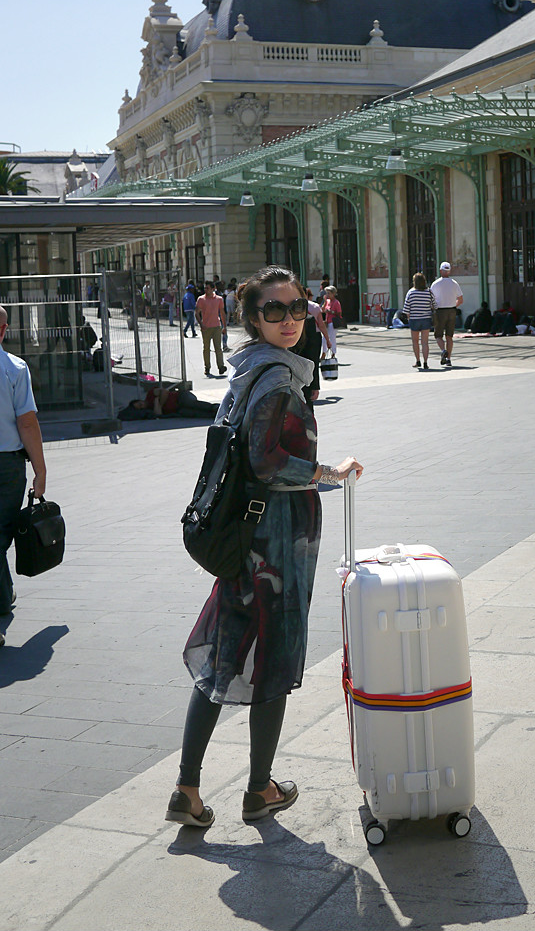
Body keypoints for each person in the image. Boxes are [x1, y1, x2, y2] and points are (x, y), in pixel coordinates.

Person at [165, 265, 362, 827]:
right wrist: (328, 472)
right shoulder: (276, 378)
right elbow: (266, 461)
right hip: (274, 540)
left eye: (297, 308)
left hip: (243, 536)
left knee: (224, 657)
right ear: (253, 318)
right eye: (274, 311)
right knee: (274, 658)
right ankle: (258, 790)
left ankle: (187, 789)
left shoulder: (250, 369)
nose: (289, 320)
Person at [0, 306, 48, 633]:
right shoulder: (14, 368)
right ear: (4, 330)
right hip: (7, 465)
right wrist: (40, 471)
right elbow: (27, 422)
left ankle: (4, 598)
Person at [430, 262, 463, 368]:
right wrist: (453, 305)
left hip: (440, 311)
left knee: (438, 335)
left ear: (441, 271)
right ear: (449, 271)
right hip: (452, 310)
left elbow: (431, 299)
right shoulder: (454, 283)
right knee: (449, 336)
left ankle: (443, 350)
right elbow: (460, 299)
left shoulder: (435, 284)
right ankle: (448, 359)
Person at [403, 273, 436, 370]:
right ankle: (425, 362)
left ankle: (418, 361)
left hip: (414, 319)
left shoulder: (411, 292)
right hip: (426, 319)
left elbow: (406, 309)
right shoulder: (429, 292)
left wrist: (409, 318)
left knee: (415, 341)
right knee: (425, 342)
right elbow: (434, 305)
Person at [195, 281, 228, 377]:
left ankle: (221, 366)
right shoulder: (201, 299)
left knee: (218, 347)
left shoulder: (219, 299)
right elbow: (197, 313)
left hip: (216, 326)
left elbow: (222, 313)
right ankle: (207, 367)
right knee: (206, 348)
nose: (206, 290)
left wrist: (224, 326)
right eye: (205, 288)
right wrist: (201, 324)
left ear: (213, 289)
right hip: (206, 327)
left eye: (208, 288)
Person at [321, 285, 342, 359]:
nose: (327, 295)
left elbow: (339, 313)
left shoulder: (336, 302)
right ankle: (324, 352)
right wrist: (324, 301)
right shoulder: (328, 301)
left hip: (333, 322)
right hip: (327, 322)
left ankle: (333, 353)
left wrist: (331, 311)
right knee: (324, 338)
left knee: (332, 338)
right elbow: (322, 310)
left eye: (329, 293)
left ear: (333, 294)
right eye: (327, 293)